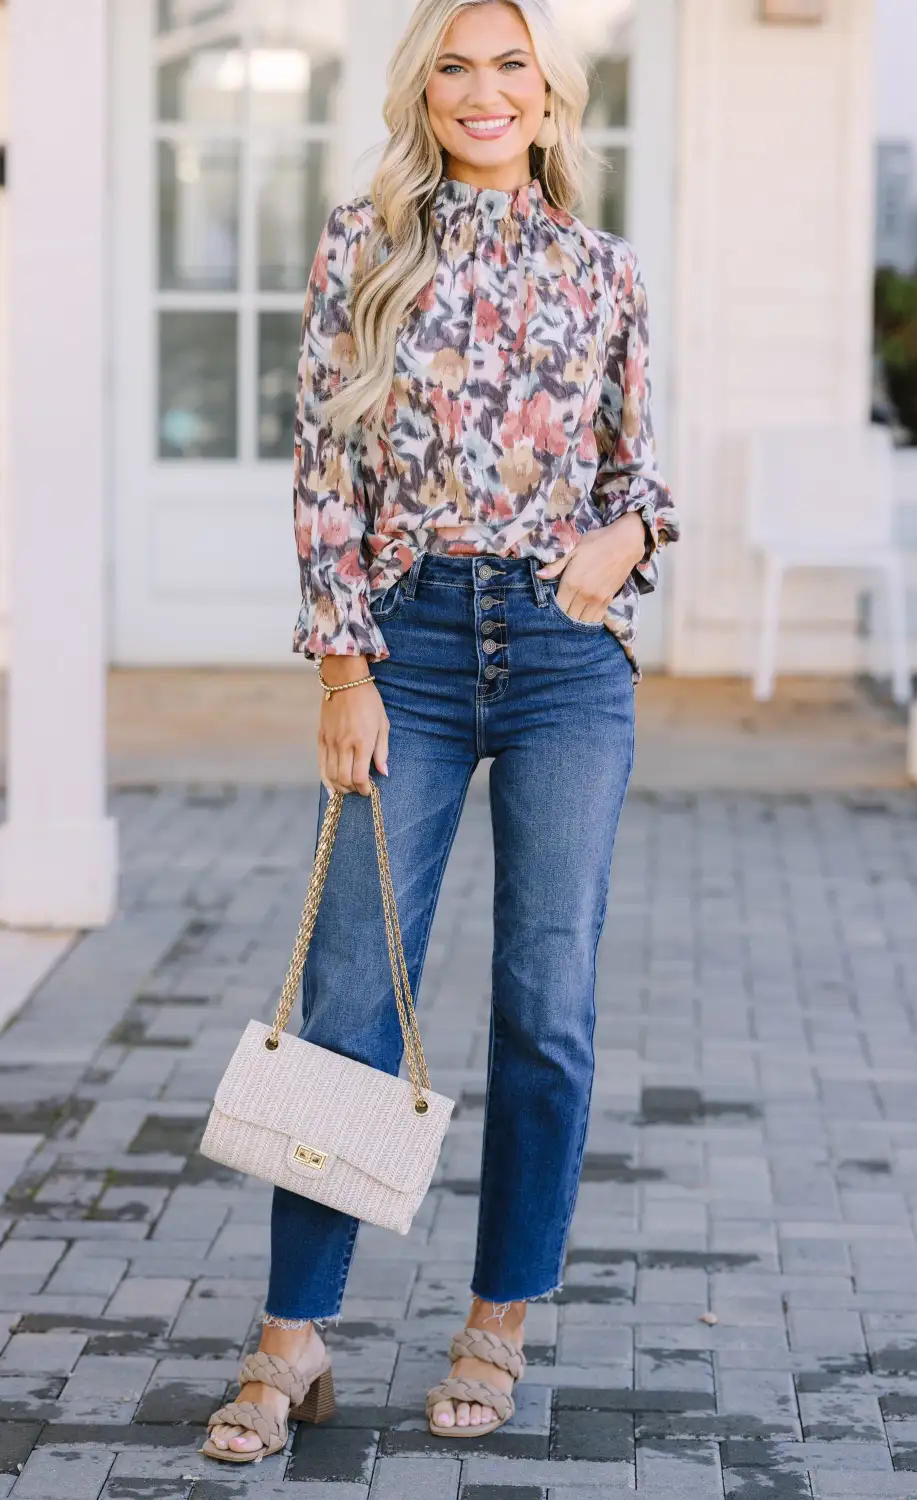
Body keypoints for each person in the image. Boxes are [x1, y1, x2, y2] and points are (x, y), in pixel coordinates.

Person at [203, 0, 676, 1463]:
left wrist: (625, 543)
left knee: (545, 1002)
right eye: (454, 68)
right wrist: (342, 669)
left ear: (550, 97)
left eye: (509, 67)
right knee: (348, 997)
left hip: (560, 659)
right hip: (403, 646)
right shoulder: (364, 249)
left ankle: (498, 1324)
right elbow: (322, 475)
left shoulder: (603, 271)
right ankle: (293, 1344)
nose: (482, 92)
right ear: (427, 95)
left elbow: (639, 475)